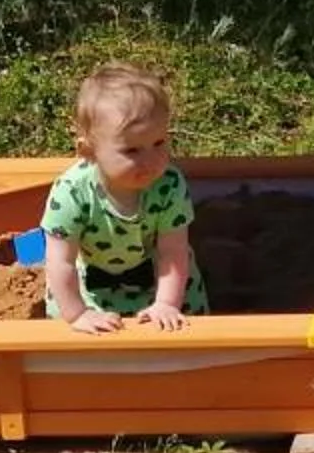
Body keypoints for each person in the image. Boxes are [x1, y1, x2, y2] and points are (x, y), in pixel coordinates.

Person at [41, 62, 209, 333]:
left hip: (161, 281)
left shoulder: (168, 184)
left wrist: (166, 303)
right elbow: (60, 261)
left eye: (159, 143)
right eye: (132, 150)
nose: (151, 161)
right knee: (69, 325)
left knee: (184, 323)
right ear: (89, 151)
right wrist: (77, 314)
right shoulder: (71, 191)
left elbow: (172, 251)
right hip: (89, 288)